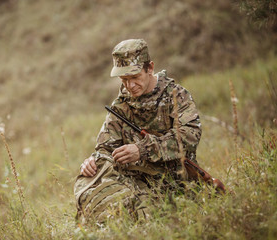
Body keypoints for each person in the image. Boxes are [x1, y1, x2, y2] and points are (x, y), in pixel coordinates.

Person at [74, 39, 202, 223]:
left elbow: (189, 137)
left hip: (173, 181)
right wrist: (92, 161)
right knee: (92, 175)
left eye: (135, 77)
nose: (130, 85)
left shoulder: (176, 96)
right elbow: (105, 147)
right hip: (134, 180)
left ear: (150, 68)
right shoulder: (121, 104)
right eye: (124, 80)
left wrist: (142, 150)